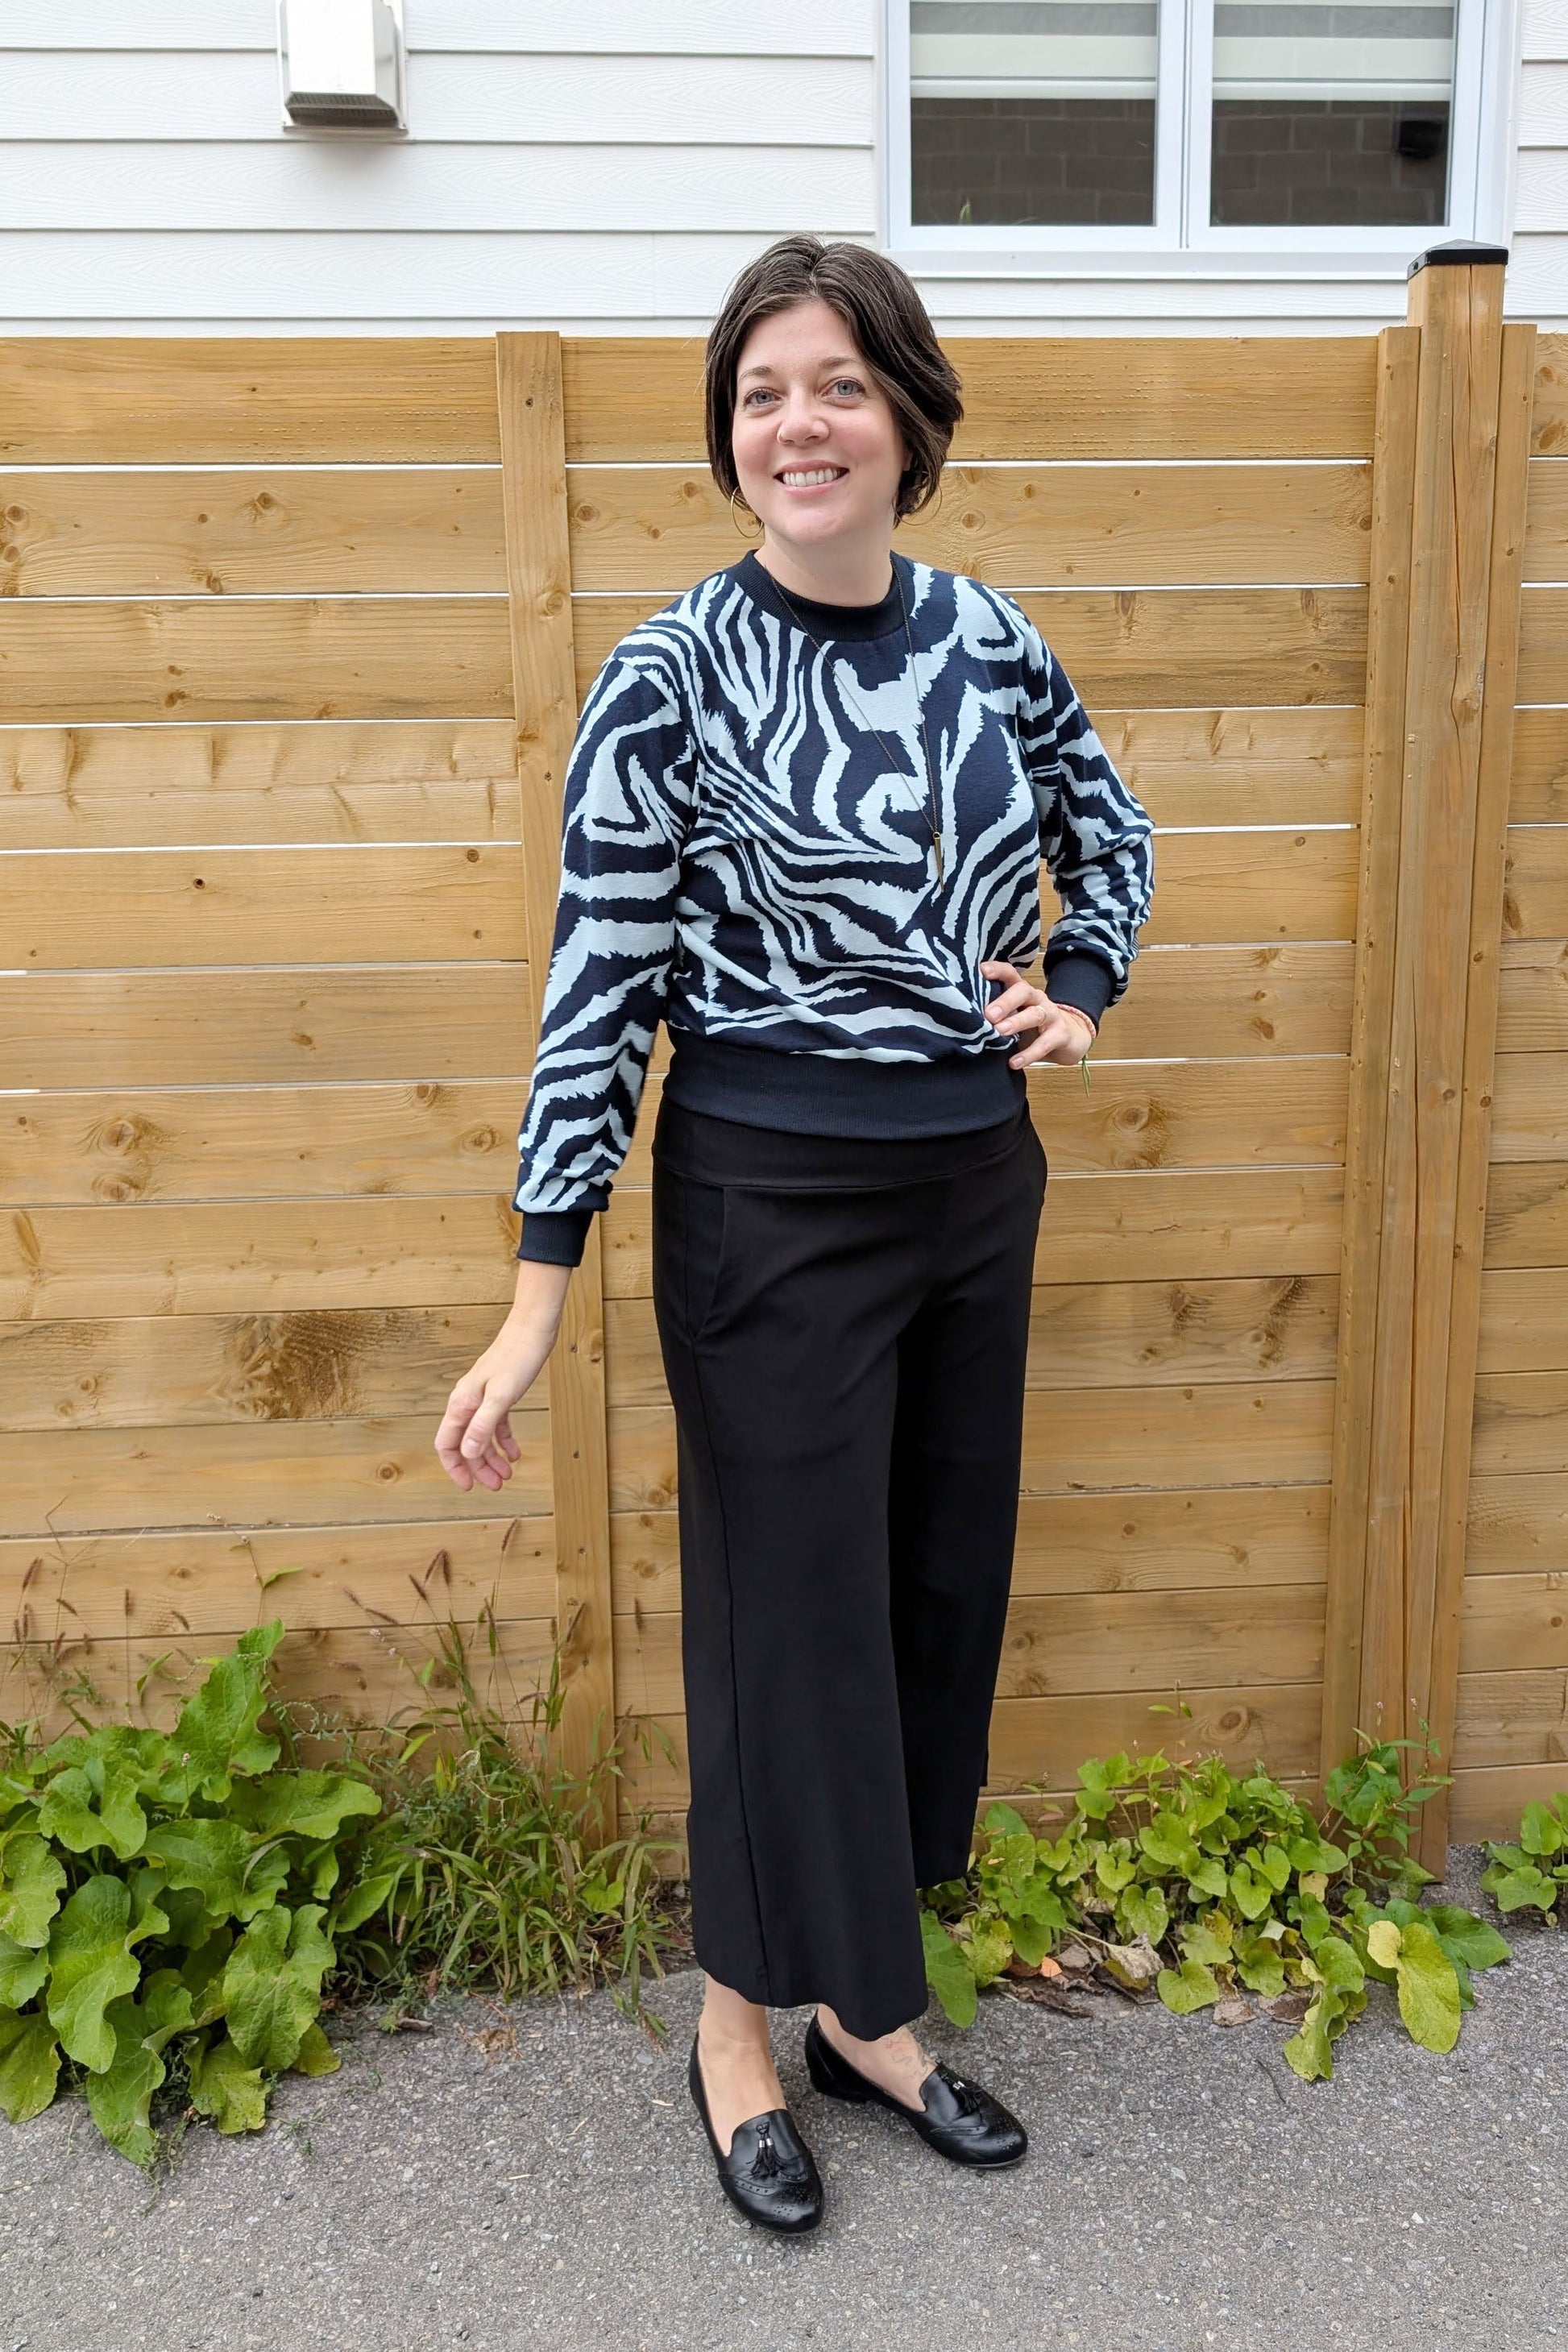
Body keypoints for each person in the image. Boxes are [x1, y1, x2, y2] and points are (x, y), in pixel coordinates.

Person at [435, 233, 1155, 2234]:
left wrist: (1076, 980)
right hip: (769, 1200)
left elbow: (1118, 824)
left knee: (931, 1601)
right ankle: (737, 2022)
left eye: (837, 381)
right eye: (763, 390)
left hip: (970, 1184)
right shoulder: (670, 672)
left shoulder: (987, 637)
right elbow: (598, 985)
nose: (799, 420)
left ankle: (869, 2004)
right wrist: (529, 1299)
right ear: (730, 437)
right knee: (788, 1633)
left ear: (907, 417)